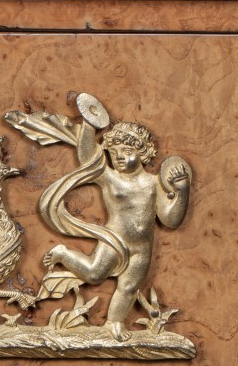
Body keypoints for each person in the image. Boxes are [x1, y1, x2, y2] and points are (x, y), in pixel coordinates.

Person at [42, 121, 191, 340]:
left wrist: (182, 191)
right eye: (114, 152)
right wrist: (89, 124)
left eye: (127, 151)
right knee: (94, 274)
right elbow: (88, 158)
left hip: (142, 248)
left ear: (143, 153)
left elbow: (170, 220)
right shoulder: (110, 178)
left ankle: (114, 322)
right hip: (114, 240)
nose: (120, 157)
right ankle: (63, 254)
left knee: (129, 287)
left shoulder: (154, 183)